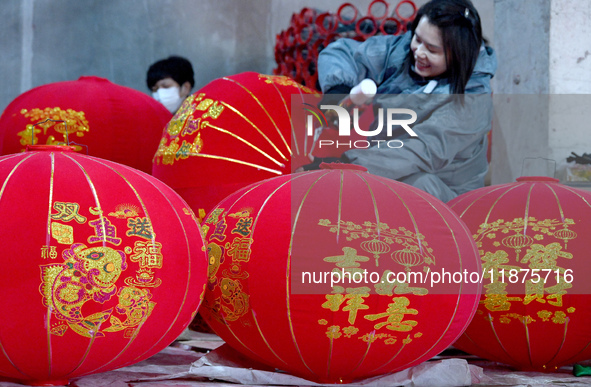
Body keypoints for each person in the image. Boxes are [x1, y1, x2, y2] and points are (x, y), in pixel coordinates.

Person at [301, 0, 497, 203]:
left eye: (432, 49)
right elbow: (343, 52)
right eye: (418, 39)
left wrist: (343, 166)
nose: (419, 52)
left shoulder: (473, 98)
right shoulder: (402, 51)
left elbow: (419, 150)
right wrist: (338, 90)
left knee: (413, 185)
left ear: (458, 54)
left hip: (443, 193)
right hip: (384, 166)